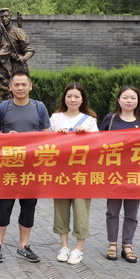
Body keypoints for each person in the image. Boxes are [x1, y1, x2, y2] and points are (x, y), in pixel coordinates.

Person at [0, 71, 50, 263]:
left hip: (31, 168)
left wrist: (33, 139)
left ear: (30, 86)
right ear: (10, 87)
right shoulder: (3, 107)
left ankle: (23, 246)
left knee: (28, 208)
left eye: (24, 84)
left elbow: (47, 133)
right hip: (8, 167)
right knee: (4, 207)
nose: (20, 88)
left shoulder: (39, 107)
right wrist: (6, 138)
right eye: (16, 84)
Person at [49, 82, 98, 265]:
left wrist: (86, 135)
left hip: (81, 173)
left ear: (82, 99)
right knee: (60, 210)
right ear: (64, 98)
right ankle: (64, 246)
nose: (73, 99)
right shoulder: (55, 118)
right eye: (69, 96)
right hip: (60, 171)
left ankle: (78, 249)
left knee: (81, 210)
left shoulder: (89, 120)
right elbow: (45, 143)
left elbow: (98, 146)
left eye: (77, 96)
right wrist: (56, 135)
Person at [99, 86, 140, 264]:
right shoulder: (110, 119)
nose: (129, 101)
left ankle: (127, 245)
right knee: (112, 211)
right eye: (125, 97)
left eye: (133, 98)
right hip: (114, 173)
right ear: (118, 100)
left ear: (138, 101)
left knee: (132, 212)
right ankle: (112, 244)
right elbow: (98, 142)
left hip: (135, 174)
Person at [0, 8, 35, 76]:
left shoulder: (18, 31)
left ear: (10, 16)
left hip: (17, 67)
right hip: (2, 69)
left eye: (6, 16)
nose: (4, 18)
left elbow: (30, 50)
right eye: (2, 17)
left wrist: (24, 58)